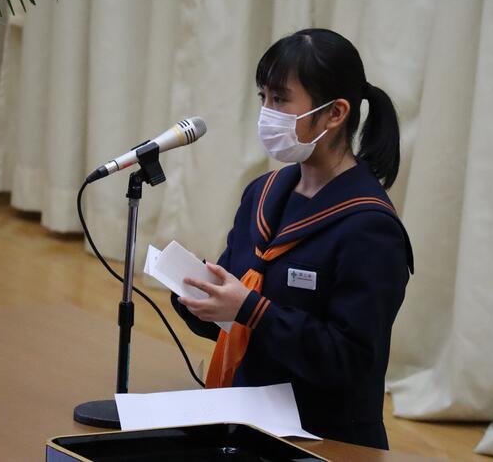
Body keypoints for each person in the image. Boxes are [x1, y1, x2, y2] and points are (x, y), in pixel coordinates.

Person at [170, 28, 414, 449]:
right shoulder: (262, 194)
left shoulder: (370, 228)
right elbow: (239, 326)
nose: (267, 113)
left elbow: (349, 360)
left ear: (335, 114)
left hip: (324, 439)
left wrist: (253, 310)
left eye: (281, 100)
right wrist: (199, 297)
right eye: (263, 97)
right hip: (246, 420)